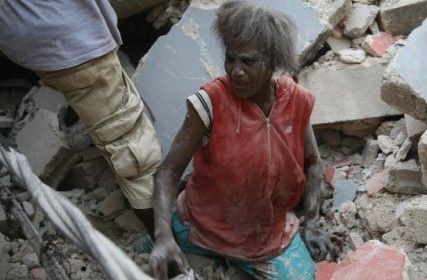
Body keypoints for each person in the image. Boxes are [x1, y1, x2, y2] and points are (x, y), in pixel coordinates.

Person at [149, 1, 342, 279]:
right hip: (202, 224)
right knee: (147, 251)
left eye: (248, 61)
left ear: (273, 62)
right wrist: (162, 235)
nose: (236, 70)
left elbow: (312, 162)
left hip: (264, 238)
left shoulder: (296, 101)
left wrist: (310, 222)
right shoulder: (210, 101)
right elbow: (168, 172)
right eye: (231, 58)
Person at [0, 1, 161, 235]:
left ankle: (95, 129)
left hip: (41, 42)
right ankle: (167, 245)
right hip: (70, 42)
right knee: (135, 156)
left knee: (113, 124)